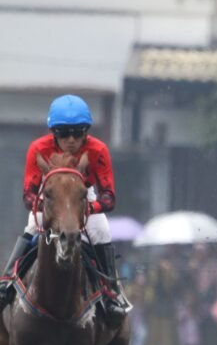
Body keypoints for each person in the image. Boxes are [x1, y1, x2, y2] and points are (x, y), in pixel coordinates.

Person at [0, 94, 127, 323]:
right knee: (31, 226)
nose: (71, 139)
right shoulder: (38, 148)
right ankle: (7, 280)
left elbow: (108, 197)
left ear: (86, 131)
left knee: (101, 232)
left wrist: (86, 207)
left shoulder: (98, 150)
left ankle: (111, 294)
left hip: (82, 197)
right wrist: (51, 205)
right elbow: (29, 195)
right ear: (53, 132)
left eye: (78, 132)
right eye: (63, 132)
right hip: (49, 197)